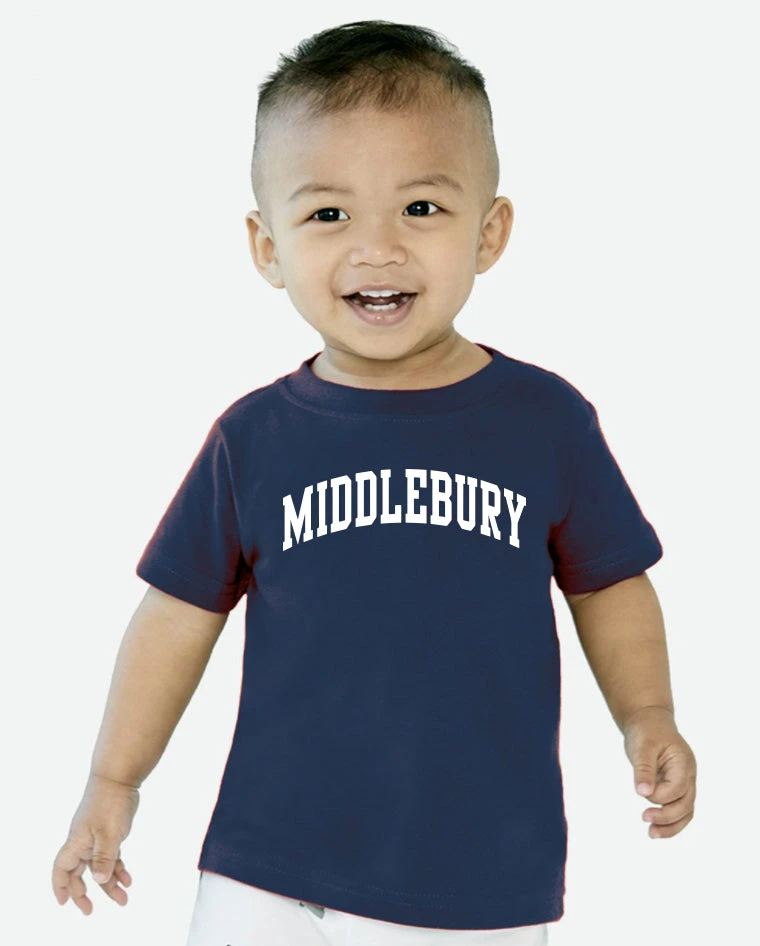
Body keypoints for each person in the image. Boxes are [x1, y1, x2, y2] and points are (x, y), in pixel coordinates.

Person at [51, 19, 698, 946]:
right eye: (329, 215)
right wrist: (113, 782)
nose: (378, 248)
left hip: (474, 882)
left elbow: (611, 584)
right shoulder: (253, 438)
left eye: (421, 208)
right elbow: (175, 617)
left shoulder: (546, 421)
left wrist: (648, 716)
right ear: (266, 246)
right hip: (268, 865)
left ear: (490, 231)